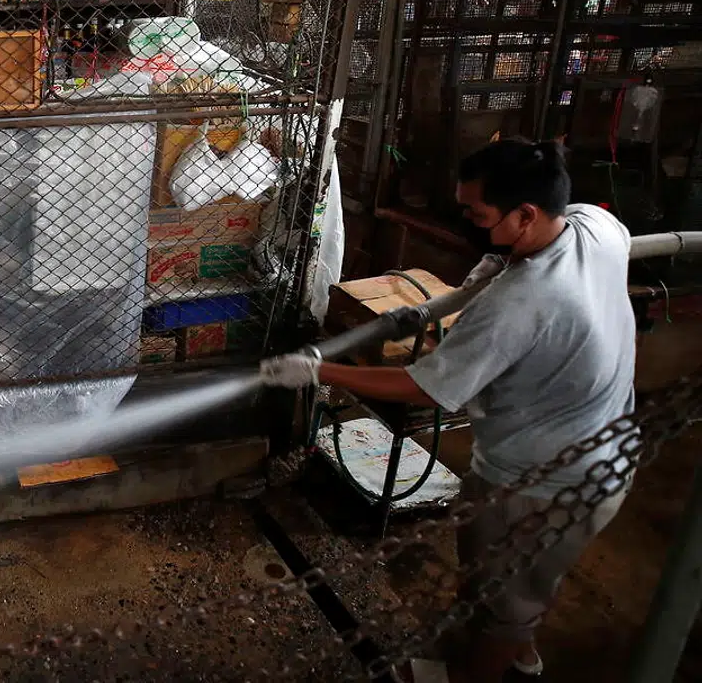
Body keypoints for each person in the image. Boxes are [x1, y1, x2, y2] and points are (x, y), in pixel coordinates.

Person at [262, 139, 635, 683]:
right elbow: (611, 234)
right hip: (605, 455)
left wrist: (320, 371)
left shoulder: (522, 301)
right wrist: (496, 267)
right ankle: (522, 658)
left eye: (476, 215)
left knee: (496, 602)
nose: (467, 222)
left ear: (525, 215)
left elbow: (428, 389)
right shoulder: (592, 228)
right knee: (528, 581)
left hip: (537, 482)